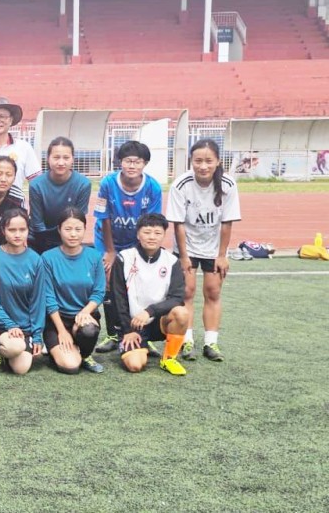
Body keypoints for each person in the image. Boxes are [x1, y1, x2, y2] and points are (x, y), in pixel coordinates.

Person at [168, 139, 241, 362]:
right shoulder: (181, 185)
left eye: (209, 161)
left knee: (213, 291)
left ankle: (211, 342)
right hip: (186, 246)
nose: (203, 166)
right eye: (198, 161)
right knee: (187, 291)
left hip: (213, 247)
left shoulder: (227, 184)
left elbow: (227, 222)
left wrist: (221, 255)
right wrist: (183, 256)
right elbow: (178, 224)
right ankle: (187, 339)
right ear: (191, 161)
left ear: (218, 161)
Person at [93, 140, 163, 354]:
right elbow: (103, 217)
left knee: (138, 284)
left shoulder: (153, 187)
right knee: (107, 282)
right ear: (120, 162)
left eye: (137, 161)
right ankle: (113, 334)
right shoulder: (107, 184)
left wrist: (140, 251)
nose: (132, 166)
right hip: (107, 239)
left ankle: (144, 335)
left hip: (136, 241)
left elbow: (152, 221)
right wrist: (110, 250)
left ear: (145, 163)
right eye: (127, 161)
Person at [114, 213, 191, 376]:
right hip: (133, 323)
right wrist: (127, 329)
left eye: (157, 233)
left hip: (159, 322)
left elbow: (177, 298)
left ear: (164, 235)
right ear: (138, 234)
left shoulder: (171, 261)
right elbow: (118, 298)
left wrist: (150, 311)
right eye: (147, 232)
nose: (152, 237)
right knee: (135, 365)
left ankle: (169, 358)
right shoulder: (124, 258)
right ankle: (139, 346)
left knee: (182, 313)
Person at [41, 207, 106, 374]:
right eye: (68, 229)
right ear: (59, 230)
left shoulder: (94, 256)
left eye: (78, 229)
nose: (73, 234)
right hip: (57, 320)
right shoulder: (47, 258)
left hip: (82, 318)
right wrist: (62, 331)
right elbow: (48, 297)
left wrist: (85, 312)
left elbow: (99, 291)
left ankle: (85, 354)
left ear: (85, 229)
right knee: (70, 367)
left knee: (89, 330)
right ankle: (57, 351)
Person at [0, 209, 45, 375]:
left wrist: (36, 335)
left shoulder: (36, 260)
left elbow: (38, 301)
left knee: (21, 369)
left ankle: (10, 350)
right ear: (3, 231)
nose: (17, 234)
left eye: (22, 230)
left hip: (24, 327)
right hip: (0, 323)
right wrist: (9, 324)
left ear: (28, 230)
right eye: (12, 230)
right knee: (16, 347)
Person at [28, 137, 92, 254]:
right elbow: (37, 224)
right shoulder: (36, 185)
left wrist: (66, 245)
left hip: (68, 238)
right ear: (48, 159)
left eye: (66, 158)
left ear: (73, 159)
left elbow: (78, 219)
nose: (61, 162)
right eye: (56, 157)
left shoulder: (83, 184)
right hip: (40, 240)